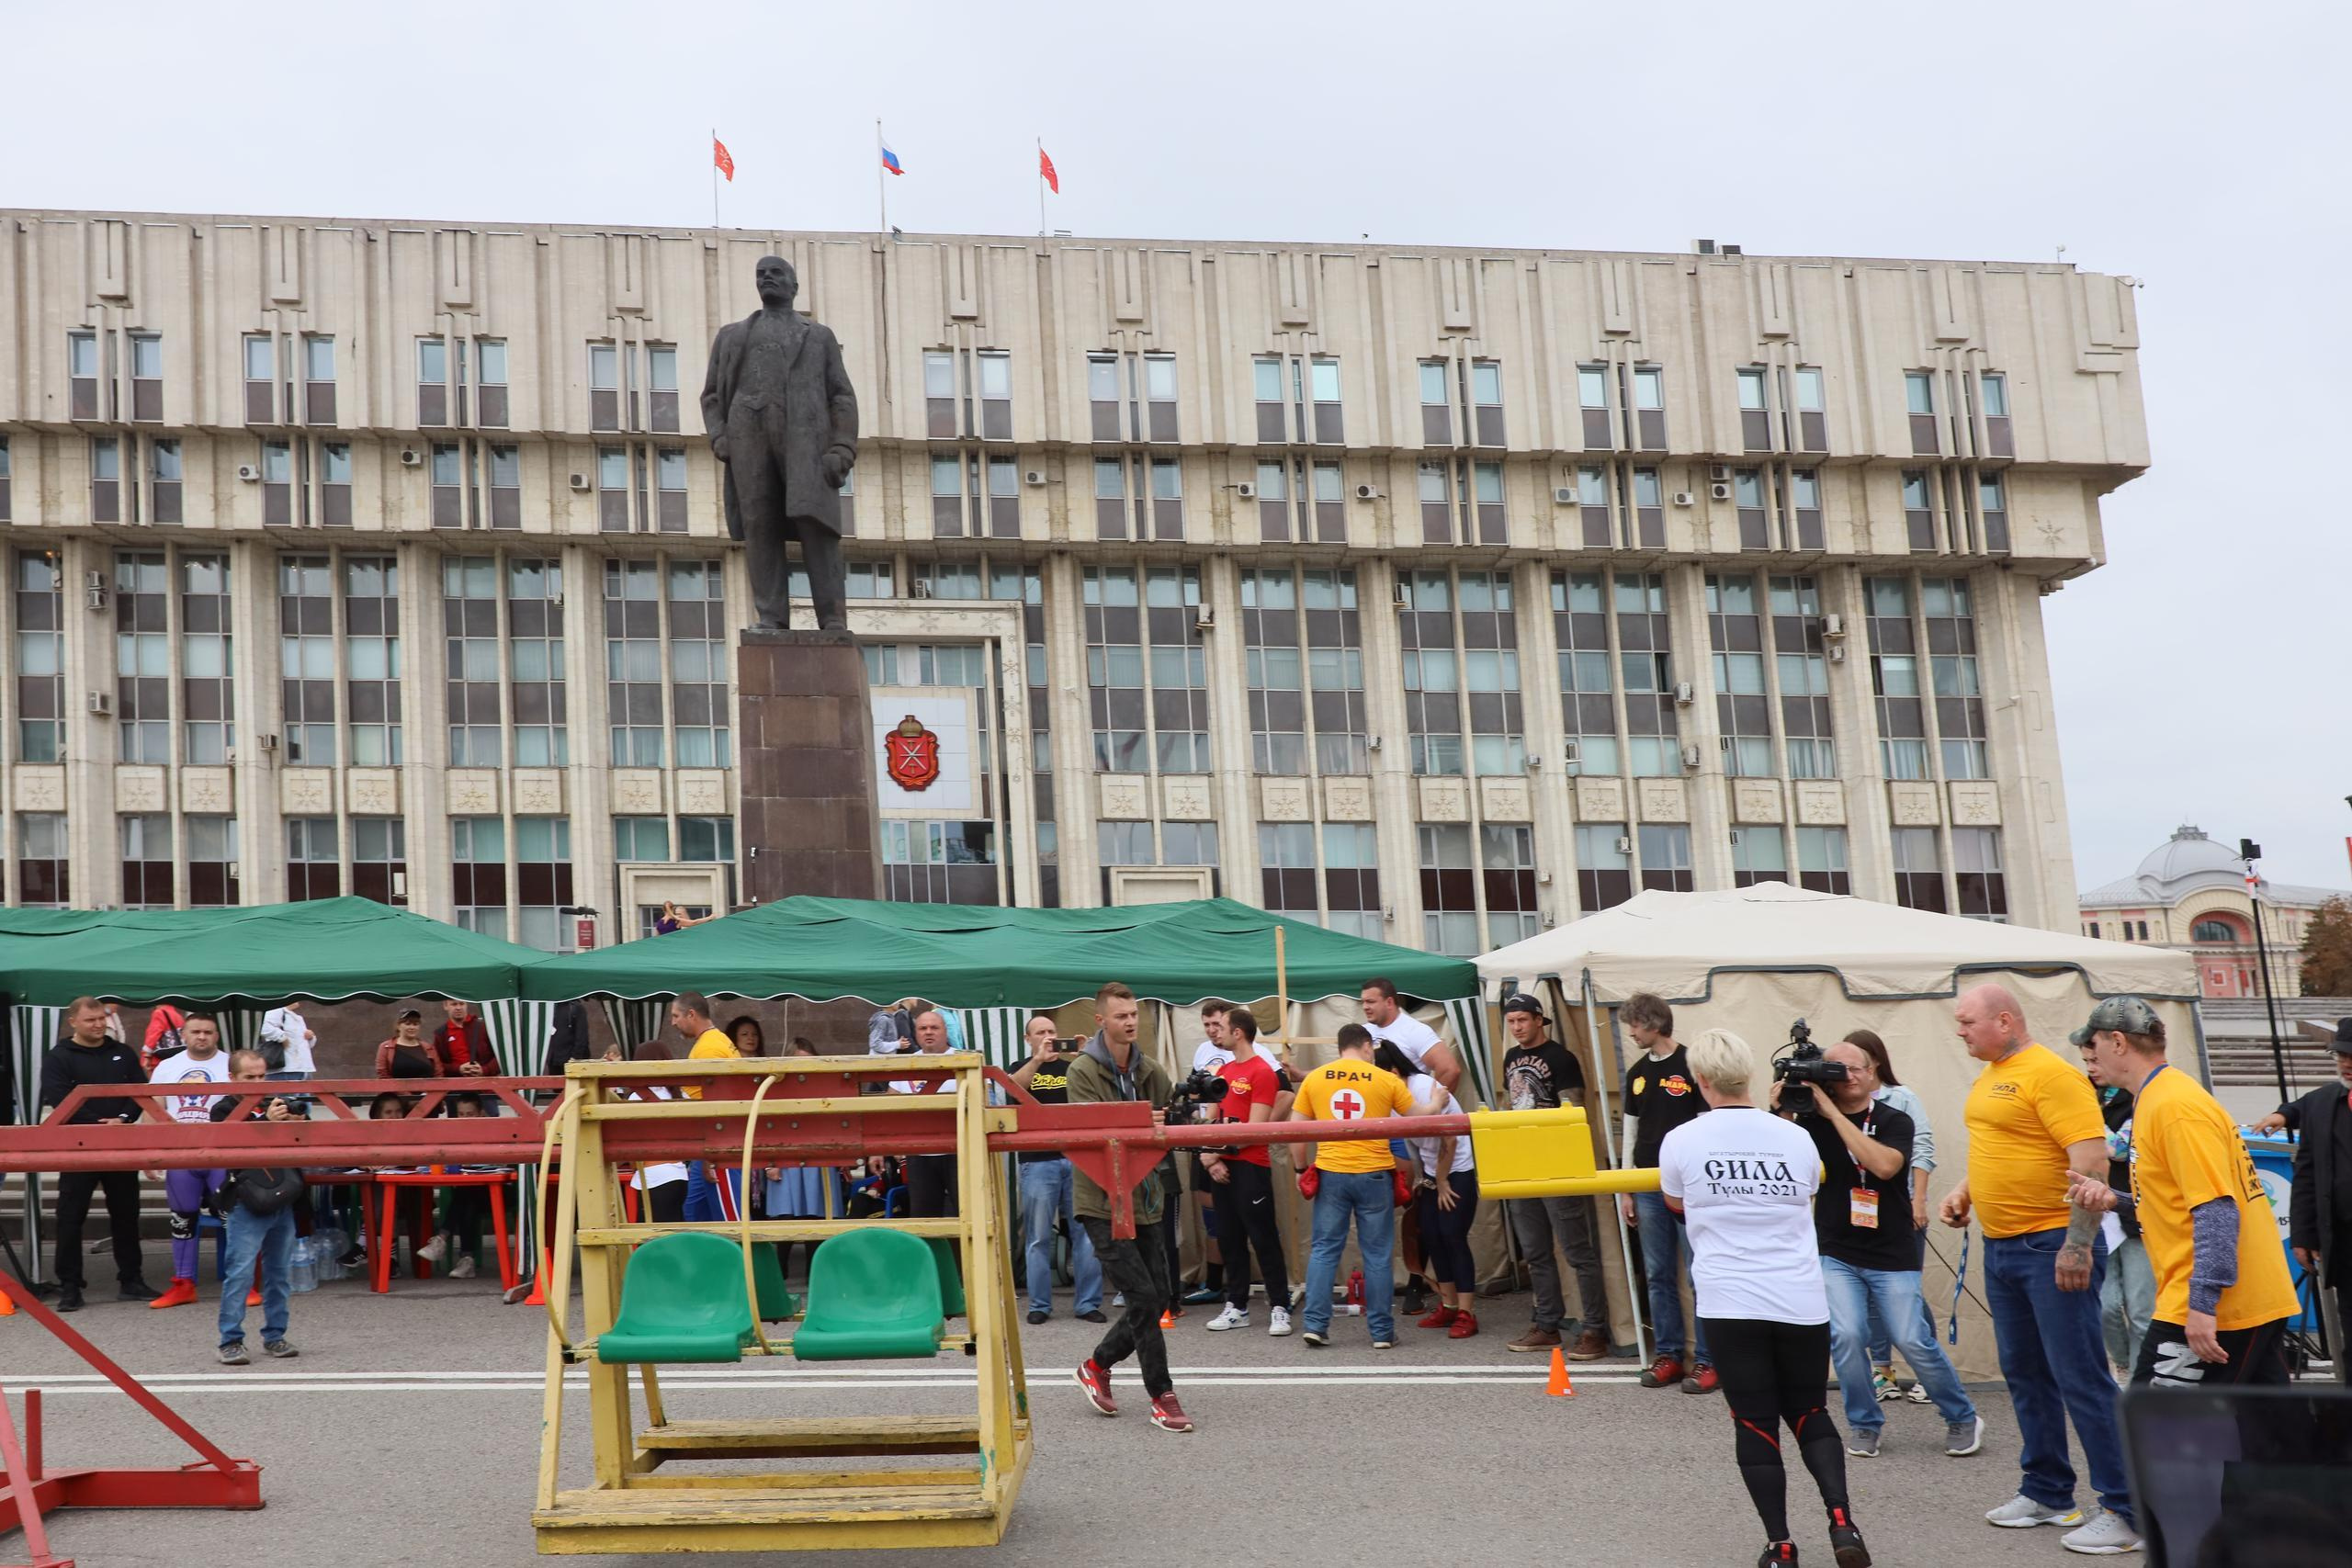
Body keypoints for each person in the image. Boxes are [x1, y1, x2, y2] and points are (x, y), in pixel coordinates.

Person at [1938, 983, 2137, 1554]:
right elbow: (2010, 1144)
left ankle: (2125, 1508)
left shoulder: (2051, 1075)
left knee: (2081, 1377)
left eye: (1968, 1021)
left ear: (2005, 1020)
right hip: (2005, 1247)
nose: (1961, 1031)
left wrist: (2079, 1244)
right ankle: (2049, 1491)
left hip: (2051, 1245)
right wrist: (1967, 1189)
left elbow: (2090, 1162)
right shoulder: (1996, 1071)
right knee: (2025, 1373)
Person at [1660, 1029, 1871, 1568]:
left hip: (1730, 1300)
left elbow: (1675, 1204)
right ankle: (1842, 1521)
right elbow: (1806, 1195)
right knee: (1809, 1411)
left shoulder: (1682, 1139)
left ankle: (1780, 1543)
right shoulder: (1793, 1138)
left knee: (1754, 1420)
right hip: (1798, 1296)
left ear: (1701, 1081)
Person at [2066, 997, 2300, 1393]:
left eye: (2095, 1044)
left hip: (2217, 1306)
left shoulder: (2173, 1106)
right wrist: (2114, 1199)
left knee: (2158, 1439)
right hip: (2241, 1299)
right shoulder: (2159, 1097)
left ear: (2119, 1042)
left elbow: (2217, 1209)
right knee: (2263, 1442)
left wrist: (2202, 1305)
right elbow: (2177, 1202)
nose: (2090, 1055)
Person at [1773, 1039, 1982, 1462]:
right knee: (1847, 1336)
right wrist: (1781, 1112)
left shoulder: (1895, 1118)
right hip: (1836, 1247)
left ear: (1873, 1073)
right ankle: (1865, 1424)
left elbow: (1884, 1166)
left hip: (1890, 1250)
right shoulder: (1809, 1124)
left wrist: (1830, 1112)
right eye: (1836, 1069)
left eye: (1855, 1069)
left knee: (1911, 1337)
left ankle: (1961, 1416)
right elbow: (1777, 1160)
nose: (1846, 1076)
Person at [1068, 981, 1192, 1433]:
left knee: (1158, 1297)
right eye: (1121, 1016)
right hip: (1100, 1200)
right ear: (1100, 1021)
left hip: (1144, 1198)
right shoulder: (1082, 1071)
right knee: (1144, 1297)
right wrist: (1144, 1120)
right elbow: (1092, 1132)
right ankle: (1163, 1395)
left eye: (1134, 1014)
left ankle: (1097, 1365)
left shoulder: (1151, 1070)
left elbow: (1168, 1116)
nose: (1131, 1022)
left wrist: (1189, 1114)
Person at [1286, 1021, 1418, 1350]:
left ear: (1340, 1047)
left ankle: (1316, 1325)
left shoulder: (1316, 1077)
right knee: (1377, 1254)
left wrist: (1301, 1169)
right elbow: (1420, 1115)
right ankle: (1382, 1332)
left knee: (1324, 1249)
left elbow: (1295, 1132)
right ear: (1367, 1046)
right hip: (1375, 1174)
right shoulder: (1386, 1078)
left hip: (1332, 1172)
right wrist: (1440, 1099)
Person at [1497, 994, 1612, 1359]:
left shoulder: (1561, 1058)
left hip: (1558, 1163)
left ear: (1539, 1019)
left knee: (1578, 1251)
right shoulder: (1511, 1057)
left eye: (1522, 1020)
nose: (1517, 1028)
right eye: (1511, 1022)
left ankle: (1595, 1330)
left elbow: (1574, 1110)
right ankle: (1547, 1325)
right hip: (1522, 1164)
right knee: (1535, 1252)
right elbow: (1510, 1105)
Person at [1619, 991, 1714, 1393]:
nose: (1631, 1033)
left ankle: (1709, 1360)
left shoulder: (1693, 1065)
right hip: (1646, 1183)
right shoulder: (1636, 1071)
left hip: (1690, 1186)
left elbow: (1708, 1123)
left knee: (1700, 1272)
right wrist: (1625, 1186)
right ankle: (1670, 1355)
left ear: (1654, 1024)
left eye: (1635, 1025)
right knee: (1657, 1273)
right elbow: (1631, 1131)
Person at [40, 997, 159, 1312]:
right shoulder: (58, 1057)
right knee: (69, 1217)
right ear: (73, 1022)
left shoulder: (122, 1052)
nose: (98, 1024)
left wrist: (121, 1120)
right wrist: (96, 1124)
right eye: (90, 1019)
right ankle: (70, 1286)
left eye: (101, 1018)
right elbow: (59, 1097)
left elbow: (140, 1092)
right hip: (78, 1149)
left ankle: (131, 1280)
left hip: (120, 1146)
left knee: (126, 1214)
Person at [1200, 1008, 1294, 1337]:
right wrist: (1211, 1158)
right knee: (1228, 1237)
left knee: (1263, 1236)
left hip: (1251, 1166)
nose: (1216, 1032)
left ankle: (1280, 1305)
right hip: (1223, 1164)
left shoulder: (1262, 1072)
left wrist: (1215, 1152)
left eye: (1221, 1026)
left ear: (1238, 1032)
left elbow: (1254, 1129)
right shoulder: (1222, 1070)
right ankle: (1236, 1305)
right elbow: (1209, 1123)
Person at [208, 1049, 305, 1364]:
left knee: (279, 1274)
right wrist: (265, 1121)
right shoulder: (222, 1109)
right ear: (232, 1078)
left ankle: (275, 1336)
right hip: (246, 1201)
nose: (257, 1083)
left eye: (262, 1076)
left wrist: (296, 1121)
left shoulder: (276, 1103)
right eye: (249, 1077)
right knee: (240, 1272)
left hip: (282, 1197)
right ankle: (230, 1340)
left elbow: (302, 1144)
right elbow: (228, 1144)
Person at [1009, 1013, 1105, 1326]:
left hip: (1078, 1157)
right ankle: (1039, 1304)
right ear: (1028, 1039)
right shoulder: (1019, 1067)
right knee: (1038, 1237)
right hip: (1037, 1160)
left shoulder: (1075, 1067)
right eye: (1040, 1033)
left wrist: (1087, 1056)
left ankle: (1088, 1303)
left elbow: (1102, 1095)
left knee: (1086, 1234)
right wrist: (1037, 1060)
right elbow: (1012, 1092)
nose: (1048, 1037)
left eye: (1052, 1032)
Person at [1377, 1040, 1478, 1338]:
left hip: (1457, 1169)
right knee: (1432, 1237)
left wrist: (1444, 1180)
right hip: (1434, 1173)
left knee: (1453, 1236)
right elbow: (1410, 1142)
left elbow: (1449, 1140)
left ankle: (1466, 1312)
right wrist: (1424, 1178)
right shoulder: (1393, 1096)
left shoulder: (1423, 1088)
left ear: (1393, 1071)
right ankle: (1448, 1305)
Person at [2074, 1027, 2155, 1378]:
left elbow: (2119, 1150)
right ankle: (2123, 1364)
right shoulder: (2080, 1093)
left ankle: (2140, 1384)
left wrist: (2082, 1119)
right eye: (2086, 1061)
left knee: (2141, 1309)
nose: (2092, 1067)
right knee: (2105, 1306)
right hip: (2094, 1217)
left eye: (2096, 1059)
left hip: (2135, 1213)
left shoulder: (2138, 1094)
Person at [2278, 1018, 2352, 1385]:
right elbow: (2306, 1173)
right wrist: (2304, 1236)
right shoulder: (2323, 1104)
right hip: (2344, 1244)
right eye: (2340, 1054)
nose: (2346, 1062)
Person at [147, 1012, 232, 1312]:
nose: (202, 1037)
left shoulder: (230, 1064)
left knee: (231, 1216)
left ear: (216, 1035)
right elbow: (153, 1110)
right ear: (184, 1035)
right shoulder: (168, 1067)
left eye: (208, 1032)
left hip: (222, 1152)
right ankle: (183, 1284)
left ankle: (243, 1282)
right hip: (181, 1153)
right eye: (196, 1031)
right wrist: (149, 1153)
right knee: (182, 1218)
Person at [416, 1093, 497, 1280]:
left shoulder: (493, 1132)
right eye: (461, 1114)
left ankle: (442, 1240)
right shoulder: (454, 1136)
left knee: (465, 1194)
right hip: (471, 1193)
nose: (466, 1118)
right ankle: (465, 1259)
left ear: (481, 1114)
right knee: (466, 1197)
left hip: (497, 1192)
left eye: (471, 1114)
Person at [616, 1042, 690, 1224]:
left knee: (651, 1242)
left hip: (652, 1177)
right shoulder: (679, 1095)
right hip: (680, 1175)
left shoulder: (636, 1098)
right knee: (673, 1236)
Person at [897, 1008, 960, 1217]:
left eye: (935, 1027)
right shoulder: (905, 1065)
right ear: (916, 1034)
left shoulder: (965, 1060)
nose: (929, 1032)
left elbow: (987, 1100)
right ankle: (930, 1252)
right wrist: (883, 1149)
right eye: (923, 1028)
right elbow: (889, 1107)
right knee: (924, 1218)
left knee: (966, 1215)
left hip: (960, 1152)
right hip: (919, 1153)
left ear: (945, 1032)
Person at [433, 999, 499, 1077]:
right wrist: (458, 1069)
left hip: (487, 1085)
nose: (458, 1008)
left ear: (466, 1004)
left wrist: (485, 1070)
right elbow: (437, 1064)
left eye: (462, 1004)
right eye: (454, 1004)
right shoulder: (441, 1034)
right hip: (457, 1085)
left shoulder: (483, 1027)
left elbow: (501, 1056)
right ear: (445, 1006)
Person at [375, 1008, 444, 1081]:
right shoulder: (386, 1047)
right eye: (407, 1024)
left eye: (415, 1024)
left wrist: (429, 1092)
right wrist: (403, 1092)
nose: (412, 1027)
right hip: (395, 1092)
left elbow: (438, 1074)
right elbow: (383, 1076)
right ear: (398, 1026)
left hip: (426, 1092)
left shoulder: (429, 1048)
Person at [259, 999, 317, 1081]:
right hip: (286, 1069)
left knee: (305, 1093)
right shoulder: (277, 1010)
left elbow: (304, 1044)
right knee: (290, 1093)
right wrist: (282, 1037)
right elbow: (262, 1026)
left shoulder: (295, 1017)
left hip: (302, 1068)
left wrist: (311, 1037)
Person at [140, 1001, 188, 1074]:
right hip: (177, 1059)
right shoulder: (178, 1016)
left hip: (161, 1060)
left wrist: (146, 1056)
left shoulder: (159, 1013)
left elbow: (153, 1035)